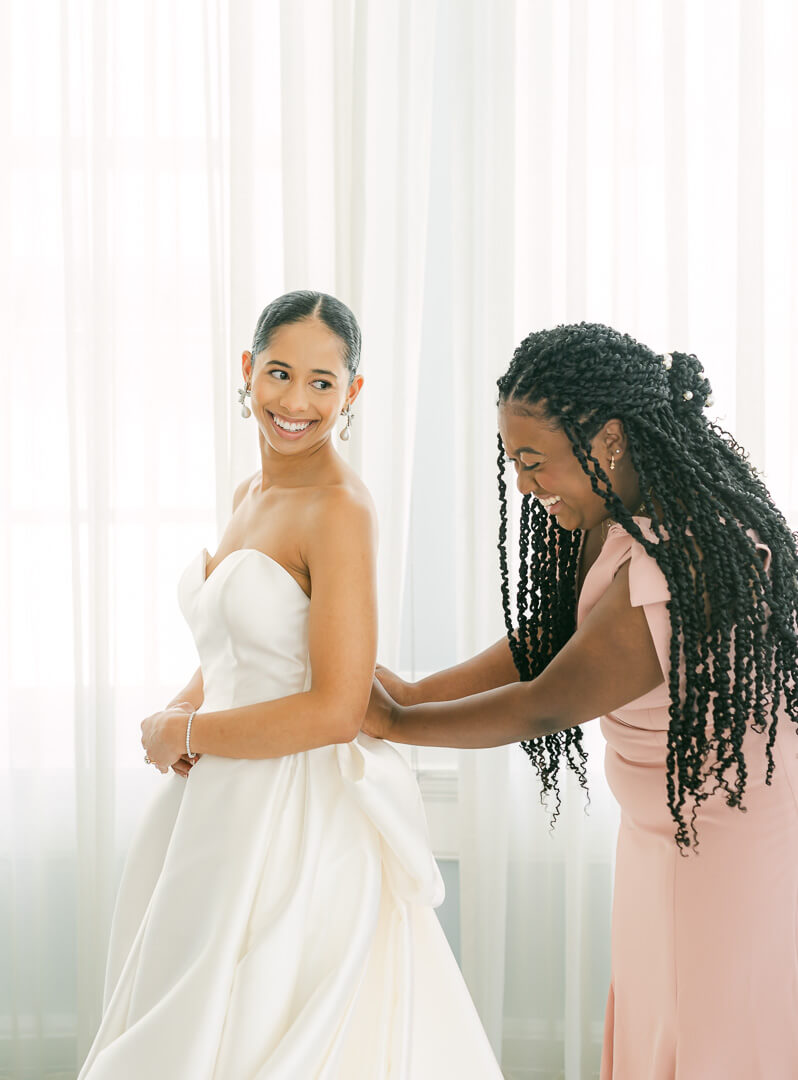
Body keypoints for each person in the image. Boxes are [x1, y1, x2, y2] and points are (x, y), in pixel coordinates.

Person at [78, 291, 501, 1080]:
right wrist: (182, 702)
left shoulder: (340, 509)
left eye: (321, 383)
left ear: (353, 392)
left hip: (294, 810)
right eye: (279, 374)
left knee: (265, 1019)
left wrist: (188, 734)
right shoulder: (250, 494)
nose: (296, 402)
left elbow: (337, 709)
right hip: (218, 799)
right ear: (247, 371)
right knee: (187, 1006)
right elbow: (248, 642)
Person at [364, 322, 798, 1080]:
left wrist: (396, 722)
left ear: (608, 442)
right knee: (655, 1019)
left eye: (534, 462)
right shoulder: (608, 520)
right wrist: (410, 690)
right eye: (514, 463)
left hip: (729, 845)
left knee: (714, 1035)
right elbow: (548, 638)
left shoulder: (684, 557)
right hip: (658, 832)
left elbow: (544, 702)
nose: (525, 486)